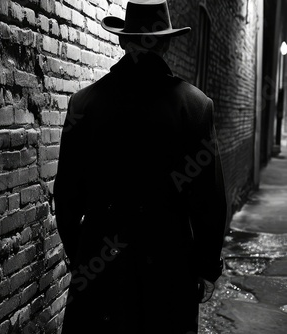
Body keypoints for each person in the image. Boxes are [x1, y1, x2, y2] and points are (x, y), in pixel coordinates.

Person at [53, 0, 228, 333]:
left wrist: (83, 259)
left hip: (100, 267)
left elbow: (65, 198)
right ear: (165, 43)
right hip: (169, 270)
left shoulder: (83, 103)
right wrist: (206, 266)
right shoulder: (195, 107)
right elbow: (210, 201)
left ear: (121, 40)